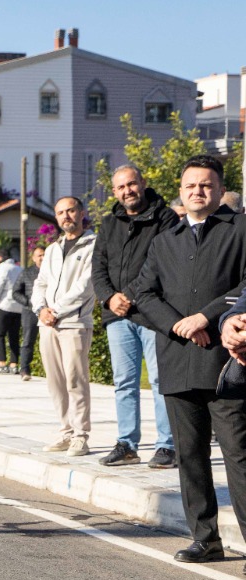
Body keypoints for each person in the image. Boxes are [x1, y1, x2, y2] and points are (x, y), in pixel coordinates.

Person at [132, 154, 246, 563]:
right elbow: (143, 294)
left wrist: (206, 316)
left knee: (239, 455)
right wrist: (179, 324)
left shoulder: (241, 230)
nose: (198, 191)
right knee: (190, 455)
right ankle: (205, 538)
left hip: (228, 363)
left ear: (219, 189)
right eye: (191, 185)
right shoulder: (165, 240)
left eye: (206, 185)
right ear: (181, 192)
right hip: (178, 359)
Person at [91, 165, 180, 468]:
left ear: (143, 183)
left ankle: (167, 445)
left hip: (152, 312)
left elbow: (158, 264)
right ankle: (127, 444)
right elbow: (98, 269)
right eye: (121, 187)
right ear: (114, 192)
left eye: (132, 184)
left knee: (159, 380)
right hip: (117, 316)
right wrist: (108, 297)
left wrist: (127, 294)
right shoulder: (107, 224)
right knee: (124, 382)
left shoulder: (164, 217)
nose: (127, 190)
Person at [32, 196, 98, 456]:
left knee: (75, 380)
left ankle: (81, 435)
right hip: (47, 324)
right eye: (60, 213)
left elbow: (85, 287)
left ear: (81, 213)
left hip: (74, 323)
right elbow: (41, 284)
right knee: (55, 381)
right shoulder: (52, 250)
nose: (65, 216)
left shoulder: (93, 245)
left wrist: (56, 310)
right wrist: (41, 310)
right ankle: (65, 431)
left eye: (70, 211)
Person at [18, 245, 44, 382]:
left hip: (48, 311)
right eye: (39, 255)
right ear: (34, 258)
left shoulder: (52, 271)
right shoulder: (26, 273)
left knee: (49, 342)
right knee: (28, 340)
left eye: (44, 254)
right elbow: (15, 292)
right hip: (30, 312)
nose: (42, 257)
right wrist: (28, 302)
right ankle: (24, 369)